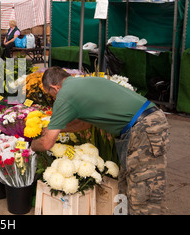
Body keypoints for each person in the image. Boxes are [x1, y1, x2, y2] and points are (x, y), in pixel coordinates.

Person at [31, 66, 170, 215]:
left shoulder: (64, 94)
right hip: (143, 126)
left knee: (144, 195)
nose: (53, 99)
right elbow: (84, 124)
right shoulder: (86, 82)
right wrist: (60, 128)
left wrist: (33, 145)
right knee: (127, 186)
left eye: (50, 95)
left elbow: (47, 143)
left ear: (54, 88)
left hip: (144, 129)